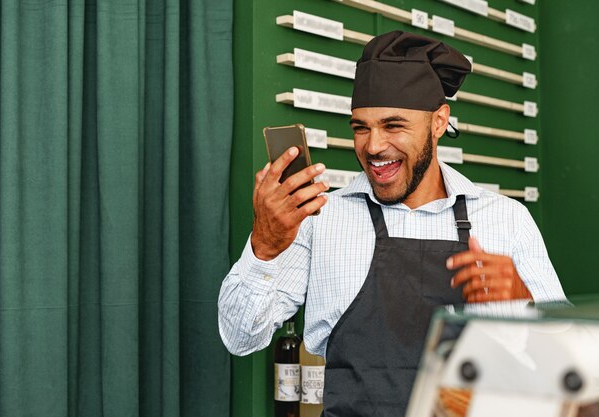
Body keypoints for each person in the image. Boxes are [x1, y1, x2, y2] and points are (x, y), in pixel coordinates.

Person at [218, 31, 566, 417]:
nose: (373, 146)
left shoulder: (505, 219)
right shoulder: (320, 218)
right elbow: (240, 338)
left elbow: (565, 366)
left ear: (438, 123)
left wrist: (524, 301)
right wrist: (265, 246)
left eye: (393, 125)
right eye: (360, 127)